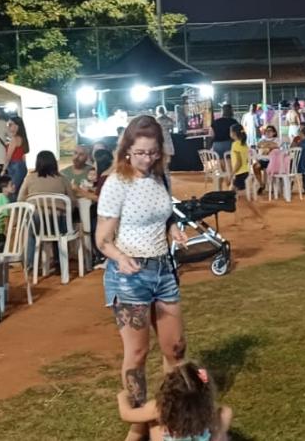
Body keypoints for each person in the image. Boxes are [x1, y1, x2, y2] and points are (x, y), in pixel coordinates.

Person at [95, 115, 187, 408]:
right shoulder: (116, 183)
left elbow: (164, 213)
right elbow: (102, 240)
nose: (146, 159)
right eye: (140, 153)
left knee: (175, 348)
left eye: (152, 152)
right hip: (129, 275)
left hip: (162, 270)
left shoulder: (161, 177)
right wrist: (120, 258)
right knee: (138, 353)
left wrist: (173, 229)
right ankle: (138, 419)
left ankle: (173, 414)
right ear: (126, 150)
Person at [118, 361, 233, 441]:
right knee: (225, 413)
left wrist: (122, 396)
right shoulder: (207, 410)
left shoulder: (158, 408)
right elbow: (224, 413)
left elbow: (126, 414)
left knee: (149, 417)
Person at [228, 124, 264, 225]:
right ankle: (237, 219)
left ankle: (259, 217)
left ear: (234, 133)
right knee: (233, 196)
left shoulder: (235, 145)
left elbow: (238, 162)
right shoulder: (244, 145)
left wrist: (231, 174)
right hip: (244, 172)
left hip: (240, 174)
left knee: (244, 199)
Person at [5, 117, 30, 202]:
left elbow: (8, 157)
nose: (8, 127)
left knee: (12, 191)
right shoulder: (22, 138)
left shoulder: (14, 139)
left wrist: (3, 169)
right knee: (18, 190)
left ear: (16, 126)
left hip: (14, 166)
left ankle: (14, 210)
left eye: (10, 124)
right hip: (20, 165)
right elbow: (23, 156)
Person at [210, 104, 239, 169]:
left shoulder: (215, 122)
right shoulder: (234, 121)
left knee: (221, 162)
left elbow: (211, 134)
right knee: (229, 162)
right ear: (231, 111)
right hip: (229, 144)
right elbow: (237, 135)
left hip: (217, 145)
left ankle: (222, 173)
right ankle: (230, 174)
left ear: (222, 111)